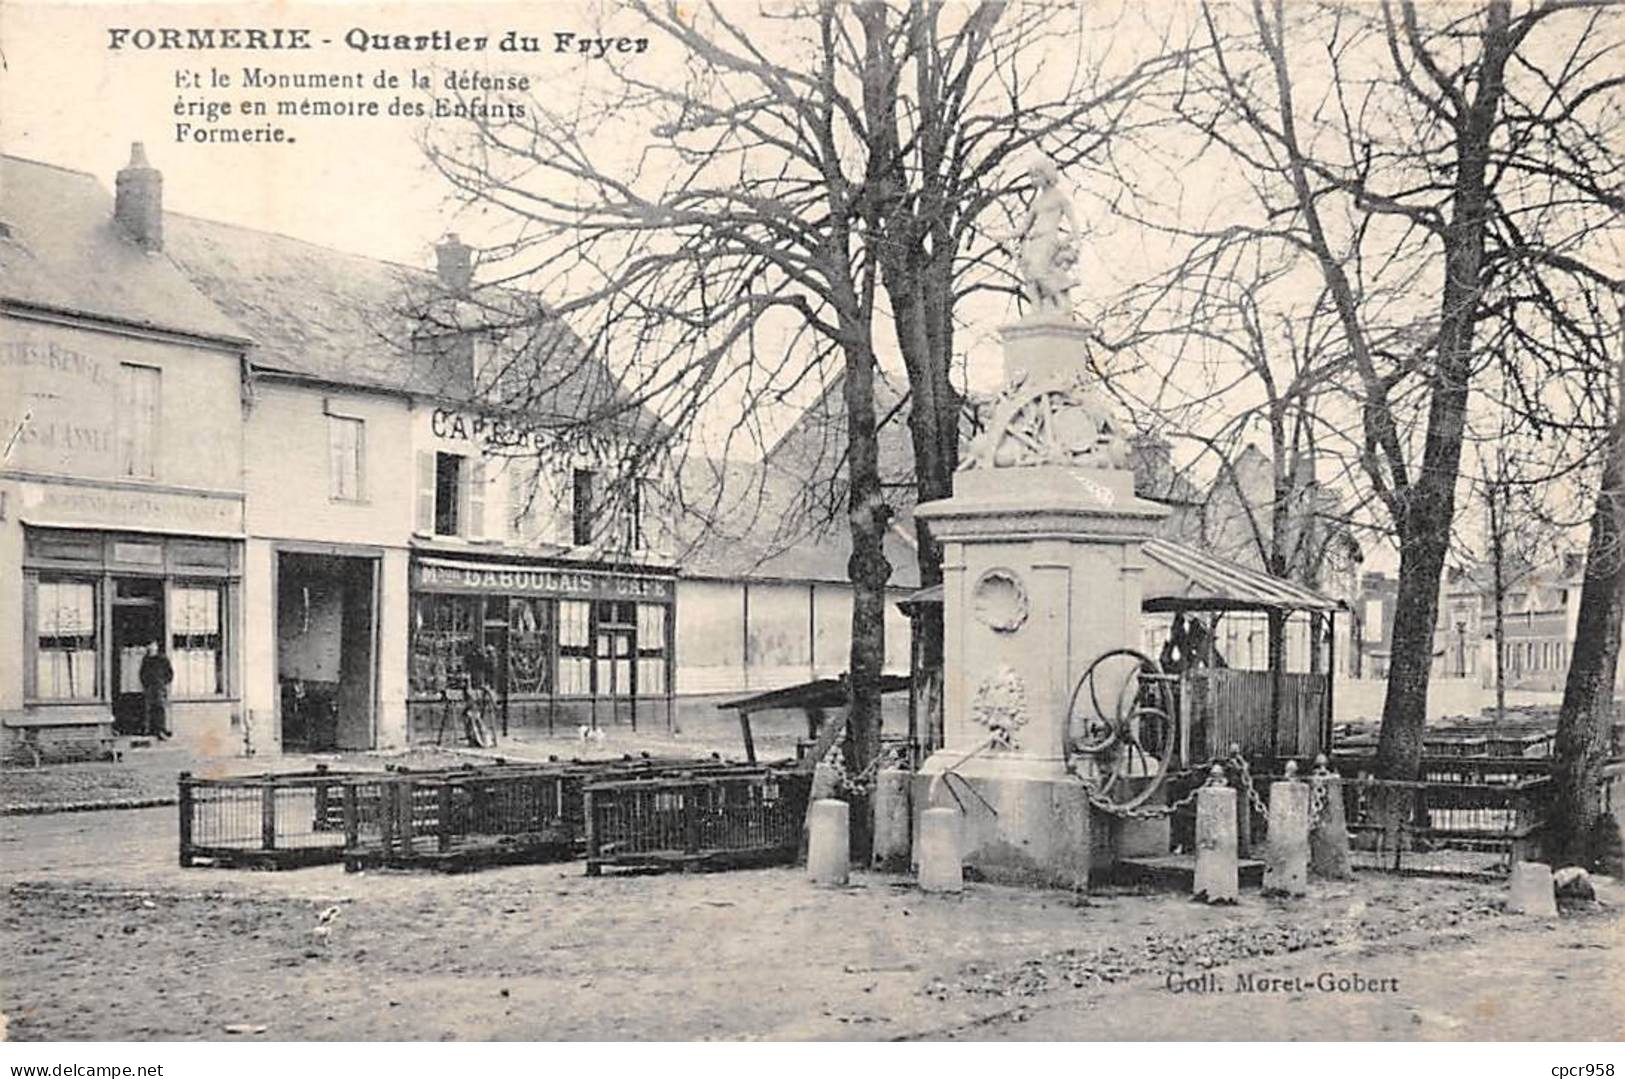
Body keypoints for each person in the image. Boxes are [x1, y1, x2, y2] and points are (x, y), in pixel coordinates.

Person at [138, 642, 173, 740]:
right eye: (148, 646)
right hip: (149, 687)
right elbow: (142, 673)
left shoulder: (162, 659)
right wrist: (145, 684)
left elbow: (169, 673)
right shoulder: (146, 660)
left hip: (159, 687)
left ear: (156, 647)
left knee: (160, 707)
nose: (150, 648)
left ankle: (161, 730)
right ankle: (147, 729)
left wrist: (163, 683)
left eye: (152, 645)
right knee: (147, 707)